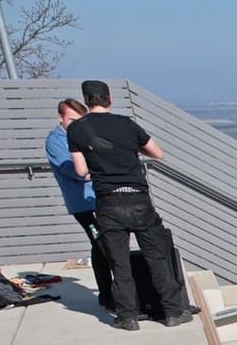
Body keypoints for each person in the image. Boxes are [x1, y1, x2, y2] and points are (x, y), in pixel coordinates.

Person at [66, 79, 188, 331]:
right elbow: (158, 153)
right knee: (156, 257)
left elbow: (80, 170)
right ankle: (173, 312)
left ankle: (127, 317)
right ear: (109, 99)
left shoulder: (77, 130)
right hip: (137, 198)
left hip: (108, 202)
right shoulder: (126, 124)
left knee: (119, 262)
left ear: (87, 101)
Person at [45, 98, 115, 309]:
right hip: (82, 203)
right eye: (72, 119)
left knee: (107, 244)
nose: (76, 124)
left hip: (98, 196)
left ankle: (111, 292)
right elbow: (75, 171)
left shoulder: (83, 135)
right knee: (101, 244)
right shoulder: (55, 141)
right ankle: (107, 294)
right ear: (60, 118)